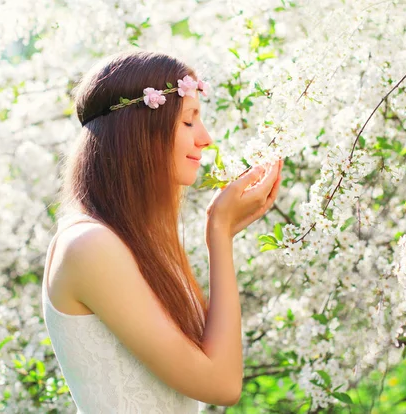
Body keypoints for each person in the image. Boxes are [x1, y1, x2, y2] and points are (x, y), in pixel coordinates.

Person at [41, 49, 283, 413]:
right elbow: (221, 383)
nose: (206, 138)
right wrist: (219, 231)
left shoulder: (132, 241)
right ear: (140, 133)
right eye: (189, 122)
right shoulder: (90, 246)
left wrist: (223, 232)